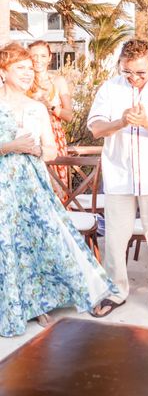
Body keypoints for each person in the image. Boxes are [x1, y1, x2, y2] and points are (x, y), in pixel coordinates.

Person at [0, 43, 113, 337]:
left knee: (32, 241)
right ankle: (9, 304)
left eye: (29, 68)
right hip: (2, 185)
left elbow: (51, 151)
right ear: (3, 71)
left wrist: (39, 149)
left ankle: (36, 304)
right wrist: (12, 146)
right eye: (19, 68)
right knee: (5, 243)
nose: (27, 73)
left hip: (30, 186)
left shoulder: (37, 107)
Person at [88, 40, 148, 319]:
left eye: (140, 73)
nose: (134, 78)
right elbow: (96, 129)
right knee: (115, 238)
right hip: (119, 174)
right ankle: (116, 291)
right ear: (121, 65)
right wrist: (121, 121)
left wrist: (146, 122)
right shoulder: (109, 88)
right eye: (128, 71)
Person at [28, 40, 73, 196]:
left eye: (42, 56)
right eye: (34, 56)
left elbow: (69, 116)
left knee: (58, 187)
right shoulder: (24, 82)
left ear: (49, 58)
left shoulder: (58, 81)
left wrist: (51, 106)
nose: (38, 60)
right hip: (30, 137)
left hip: (54, 137)